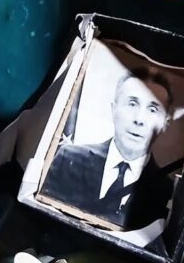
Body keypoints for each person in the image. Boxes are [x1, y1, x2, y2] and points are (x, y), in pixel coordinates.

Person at [39, 66, 176, 230]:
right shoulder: (68, 158)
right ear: (113, 110)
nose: (139, 119)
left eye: (153, 109)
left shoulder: (167, 191)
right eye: (132, 104)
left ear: (165, 123)